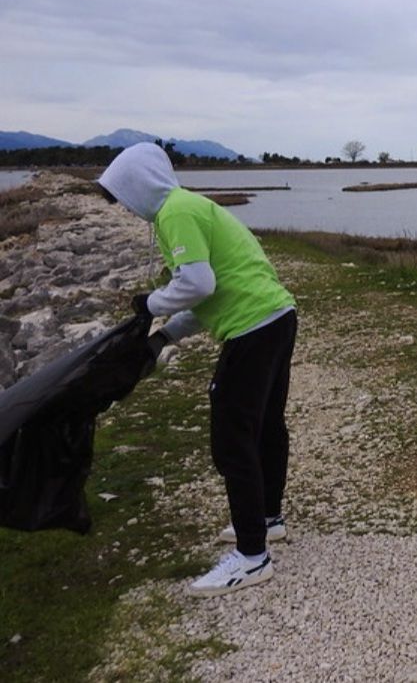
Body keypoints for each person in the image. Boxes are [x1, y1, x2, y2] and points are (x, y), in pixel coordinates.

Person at [98, 142, 297, 597]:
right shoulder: (190, 207)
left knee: (233, 437)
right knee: (266, 426)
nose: (127, 208)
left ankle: (252, 557)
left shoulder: (175, 212)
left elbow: (197, 283)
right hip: (278, 317)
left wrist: (149, 305)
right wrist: (166, 335)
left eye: (124, 197)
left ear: (139, 185)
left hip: (253, 329)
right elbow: (209, 294)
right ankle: (268, 520)